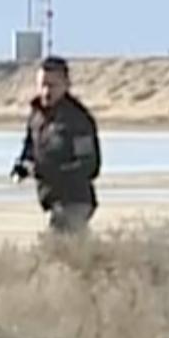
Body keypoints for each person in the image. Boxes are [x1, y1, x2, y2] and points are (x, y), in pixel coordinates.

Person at [12, 55, 102, 235]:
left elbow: (90, 165)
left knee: (56, 248)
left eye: (52, 85)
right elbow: (30, 147)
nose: (46, 91)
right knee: (72, 253)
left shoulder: (77, 120)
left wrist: (51, 170)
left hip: (75, 200)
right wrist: (21, 166)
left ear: (66, 85)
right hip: (52, 198)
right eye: (42, 85)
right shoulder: (37, 115)